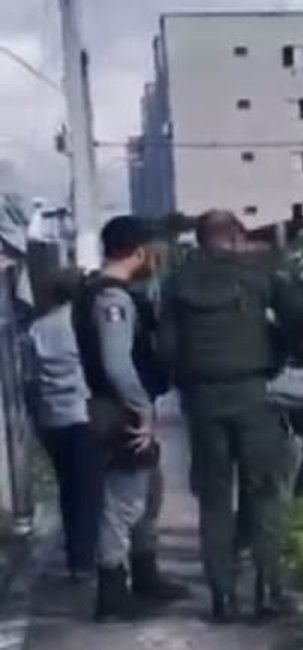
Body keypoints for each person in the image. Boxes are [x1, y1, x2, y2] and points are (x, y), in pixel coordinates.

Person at [158, 210, 303, 622]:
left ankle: (222, 598)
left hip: (202, 401)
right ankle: (268, 593)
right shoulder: (258, 272)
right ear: (237, 238)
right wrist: (278, 349)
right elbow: (302, 319)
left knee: (213, 500)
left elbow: (167, 348)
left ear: (201, 238)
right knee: (262, 493)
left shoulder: (176, 282)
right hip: (252, 394)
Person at [71, 215, 189, 622]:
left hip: (119, 406)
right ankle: (112, 591)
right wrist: (140, 410)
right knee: (123, 503)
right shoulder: (112, 300)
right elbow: (117, 365)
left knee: (147, 494)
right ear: (138, 251)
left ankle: (144, 574)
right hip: (120, 409)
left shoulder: (104, 292)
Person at [25, 268, 101, 581]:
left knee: (68, 488)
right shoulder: (83, 323)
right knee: (89, 491)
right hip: (83, 414)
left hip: (51, 419)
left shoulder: (37, 329)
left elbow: (29, 379)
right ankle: (86, 559)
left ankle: (75, 554)